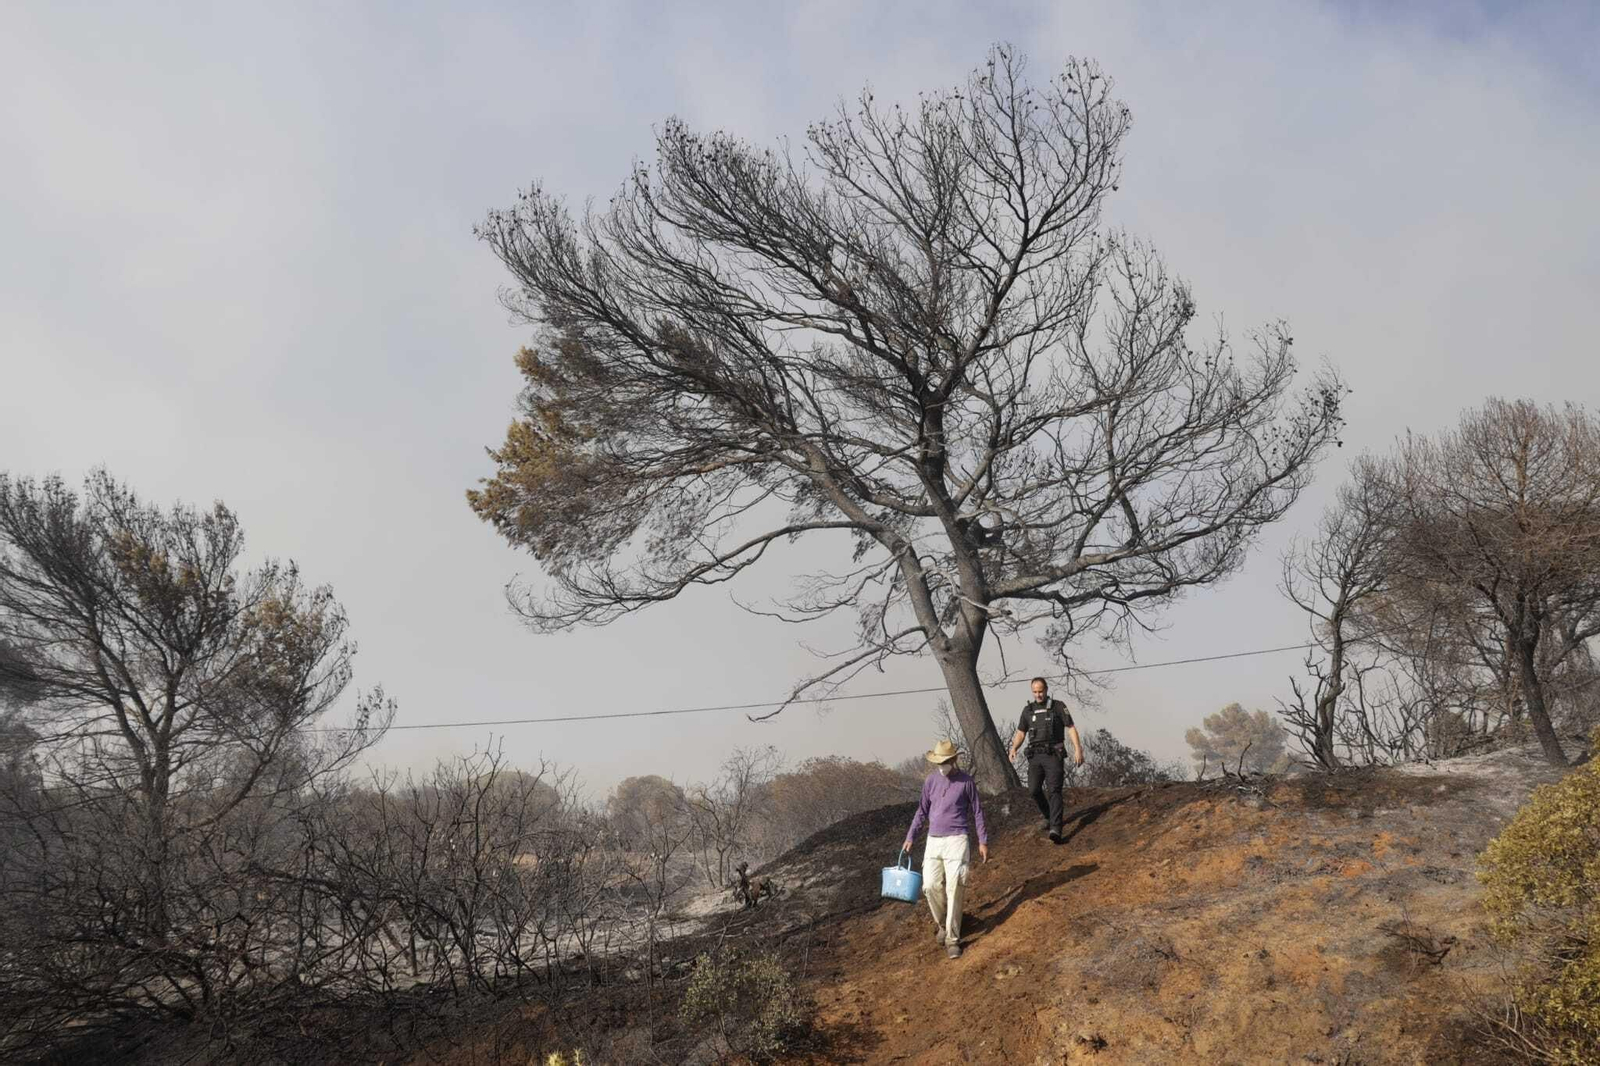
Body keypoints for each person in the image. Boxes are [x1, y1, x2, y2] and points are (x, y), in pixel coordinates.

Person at [902, 739, 989, 959]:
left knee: (954, 887)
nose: (942, 765)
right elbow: (921, 810)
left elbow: (978, 812)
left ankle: (952, 939)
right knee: (930, 886)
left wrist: (983, 840)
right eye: (939, 761)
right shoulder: (931, 781)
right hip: (934, 839)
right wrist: (911, 836)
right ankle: (943, 923)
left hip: (957, 839)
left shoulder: (966, 782)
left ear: (954, 760)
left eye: (946, 761)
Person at [1008, 677, 1084, 843]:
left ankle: (1056, 828)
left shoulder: (1058, 706)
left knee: (1054, 790)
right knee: (1034, 790)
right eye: (1035, 692)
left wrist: (1078, 748)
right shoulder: (1028, 710)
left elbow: (1070, 728)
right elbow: (1021, 732)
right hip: (1035, 755)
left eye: (1040, 691)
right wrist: (1014, 748)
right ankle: (1049, 816)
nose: (1038, 695)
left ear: (1047, 690)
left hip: (1053, 754)